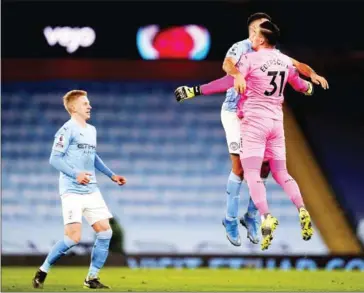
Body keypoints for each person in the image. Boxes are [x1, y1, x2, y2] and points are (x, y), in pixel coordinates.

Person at [174, 12, 328, 247]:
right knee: (240, 168)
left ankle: (253, 216)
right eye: (257, 28)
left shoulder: (273, 55)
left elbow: (297, 65)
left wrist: (313, 74)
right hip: (235, 112)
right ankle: (230, 219)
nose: (258, 32)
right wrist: (235, 74)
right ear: (252, 31)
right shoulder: (241, 48)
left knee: (264, 169)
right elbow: (226, 66)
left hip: (256, 117)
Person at [32, 90, 127, 289]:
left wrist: (111, 175)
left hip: (91, 190)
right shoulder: (66, 130)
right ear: (73, 107)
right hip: (72, 191)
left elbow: (93, 157)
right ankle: (43, 269)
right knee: (73, 238)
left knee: (105, 232)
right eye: (85, 103)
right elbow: (54, 159)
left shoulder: (91, 130)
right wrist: (76, 174)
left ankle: (91, 278)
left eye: (88, 103)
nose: (89, 106)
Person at [236, 20, 314, 250]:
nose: (250, 38)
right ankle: (301, 209)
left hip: (255, 123)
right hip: (276, 123)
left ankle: (266, 215)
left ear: (261, 39)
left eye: (253, 34)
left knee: (251, 172)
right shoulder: (284, 60)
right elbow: (300, 85)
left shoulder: (249, 60)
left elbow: (232, 81)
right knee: (281, 172)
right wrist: (309, 88)